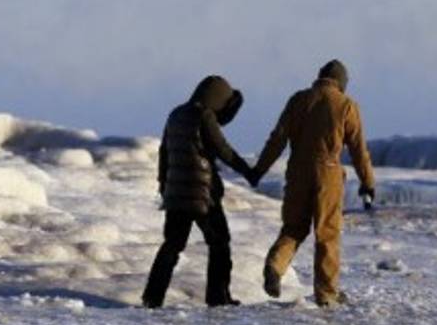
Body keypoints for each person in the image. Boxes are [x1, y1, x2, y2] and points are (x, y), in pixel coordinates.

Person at [249, 59, 376, 307]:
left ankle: (275, 266)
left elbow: (278, 139)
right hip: (328, 173)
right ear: (342, 82)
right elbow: (359, 149)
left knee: (294, 227)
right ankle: (327, 294)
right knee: (327, 234)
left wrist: (259, 169)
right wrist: (367, 181)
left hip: (297, 172)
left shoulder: (298, 100)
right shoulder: (346, 105)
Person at [142, 75, 254, 308]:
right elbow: (223, 149)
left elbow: (165, 153)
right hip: (203, 194)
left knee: (171, 245)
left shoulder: (176, 114)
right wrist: (248, 171)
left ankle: (152, 297)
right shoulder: (205, 115)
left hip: (176, 194)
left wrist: (164, 185)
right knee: (219, 243)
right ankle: (218, 297)